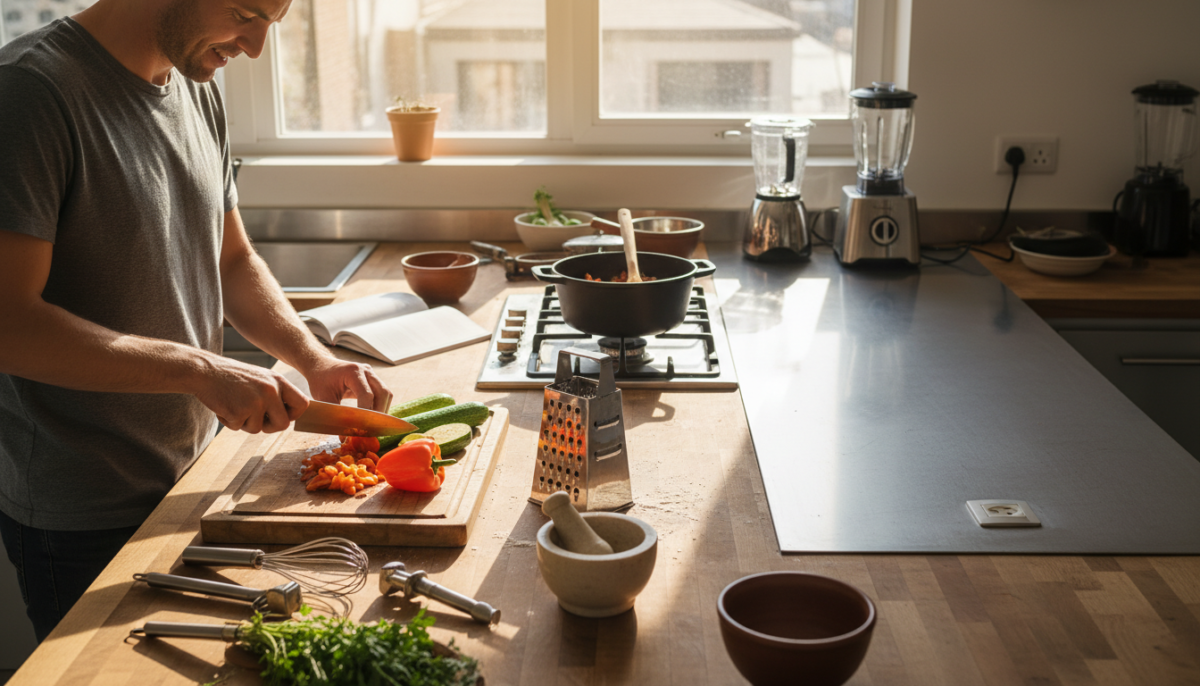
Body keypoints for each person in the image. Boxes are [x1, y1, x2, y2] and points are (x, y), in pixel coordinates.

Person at [0, 0, 391, 641]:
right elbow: (8, 324)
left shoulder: (194, 84)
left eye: (274, 21)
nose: (258, 46)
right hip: (86, 511)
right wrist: (200, 368)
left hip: (196, 475)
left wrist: (311, 356)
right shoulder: (30, 93)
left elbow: (231, 258)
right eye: (246, 13)